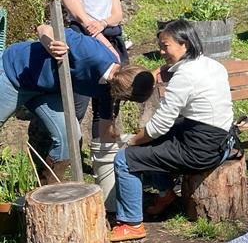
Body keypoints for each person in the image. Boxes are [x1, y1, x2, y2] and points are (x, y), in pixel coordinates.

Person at [111, 19, 236, 242]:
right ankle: (165, 194)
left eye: (165, 46)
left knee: (124, 159)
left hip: (200, 151)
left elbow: (159, 126)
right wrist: (160, 71)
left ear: (184, 44)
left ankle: (131, 224)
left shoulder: (185, 76)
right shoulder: (211, 64)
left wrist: (130, 141)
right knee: (158, 139)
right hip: (223, 140)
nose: (161, 52)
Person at [0, 25, 154, 182]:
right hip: (15, 73)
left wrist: (118, 154)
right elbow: (44, 28)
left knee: (70, 136)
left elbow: (105, 128)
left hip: (47, 91)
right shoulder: (91, 52)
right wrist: (51, 45)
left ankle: (50, 188)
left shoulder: (112, 87)